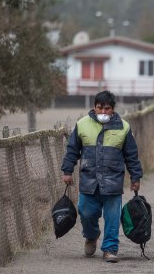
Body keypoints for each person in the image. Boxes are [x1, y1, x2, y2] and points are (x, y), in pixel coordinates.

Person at [61, 90, 143, 263]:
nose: (103, 112)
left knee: (112, 218)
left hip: (113, 182)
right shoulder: (82, 124)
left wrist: (136, 178)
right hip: (89, 181)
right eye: (100, 108)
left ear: (112, 109)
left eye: (107, 109)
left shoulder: (124, 127)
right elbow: (72, 150)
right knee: (86, 212)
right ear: (94, 107)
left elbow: (132, 156)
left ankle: (110, 249)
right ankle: (91, 235)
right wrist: (67, 171)